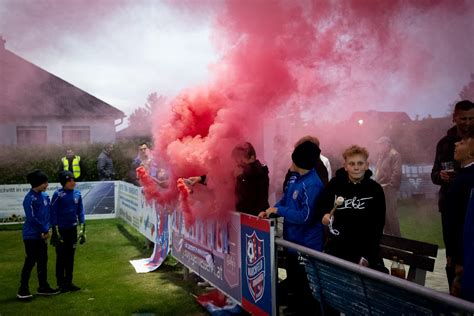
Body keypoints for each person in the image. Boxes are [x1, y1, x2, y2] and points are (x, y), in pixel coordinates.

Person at [259, 140, 324, 315]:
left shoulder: (313, 184)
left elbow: (306, 217)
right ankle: (294, 308)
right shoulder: (294, 178)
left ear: (298, 161)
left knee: (305, 289)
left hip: (306, 246)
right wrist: (270, 211)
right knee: (294, 284)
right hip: (291, 242)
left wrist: (278, 209)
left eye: (293, 158)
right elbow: (286, 200)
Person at [317, 145, 386, 269]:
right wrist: (324, 214)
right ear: (345, 166)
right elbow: (322, 206)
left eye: (360, 163)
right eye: (352, 163)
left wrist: (367, 256)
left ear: (366, 165)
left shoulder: (375, 190)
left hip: (364, 251)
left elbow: (378, 226)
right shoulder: (334, 185)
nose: (356, 167)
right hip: (337, 248)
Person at [431, 100, 474, 289]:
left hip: (470, 203)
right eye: (463, 118)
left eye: (471, 118)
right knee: (451, 255)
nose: (467, 123)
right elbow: (433, 174)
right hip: (450, 204)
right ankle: (453, 295)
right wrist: (440, 176)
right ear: (454, 117)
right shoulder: (445, 143)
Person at [17, 170, 60, 300]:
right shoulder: (29, 199)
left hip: (43, 234)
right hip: (31, 236)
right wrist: (44, 230)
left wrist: (50, 229)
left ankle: (43, 287)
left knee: (43, 261)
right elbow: (31, 218)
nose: (47, 185)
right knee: (30, 261)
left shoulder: (45, 196)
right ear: (38, 183)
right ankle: (22, 290)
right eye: (45, 183)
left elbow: (48, 215)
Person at [445, 130, 474, 297]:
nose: (456, 144)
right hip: (456, 253)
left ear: (471, 152)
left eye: (462, 143)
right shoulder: (461, 176)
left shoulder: (470, 179)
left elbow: (465, 223)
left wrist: (460, 259)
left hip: (464, 257)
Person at [50, 170, 86, 293]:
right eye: (69, 180)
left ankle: (69, 282)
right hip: (61, 230)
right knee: (61, 257)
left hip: (72, 229)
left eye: (73, 179)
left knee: (70, 257)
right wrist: (55, 230)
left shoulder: (77, 193)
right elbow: (53, 212)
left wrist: (82, 226)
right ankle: (60, 284)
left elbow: (80, 211)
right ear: (64, 182)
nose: (73, 182)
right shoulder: (58, 194)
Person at [232, 142, 269, 216]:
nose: (239, 163)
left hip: (255, 217)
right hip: (246, 216)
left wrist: (240, 177)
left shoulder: (257, 172)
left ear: (252, 158)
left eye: (241, 160)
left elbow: (250, 196)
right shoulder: (244, 172)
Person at [374, 136, 402, 237]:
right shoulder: (382, 155)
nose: (378, 147)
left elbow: (397, 173)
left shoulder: (394, 155)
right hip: (381, 188)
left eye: (380, 145)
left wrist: (390, 185)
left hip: (388, 189)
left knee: (391, 216)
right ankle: (388, 241)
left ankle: (398, 242)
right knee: (384, 216)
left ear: (387, 145)